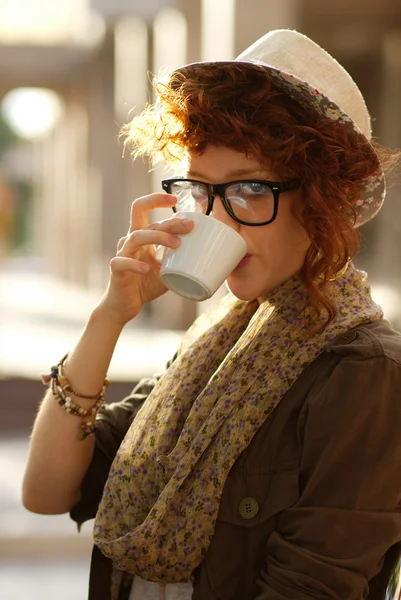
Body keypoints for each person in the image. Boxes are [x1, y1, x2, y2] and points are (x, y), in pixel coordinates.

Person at [22, 29, 401, 600]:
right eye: (199, 191)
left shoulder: (364, 372)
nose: (217, 221)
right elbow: (47, 493)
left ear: (320, 202)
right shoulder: (217, 344)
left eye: (249, 189)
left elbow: (314, 584)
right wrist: (109, 316)